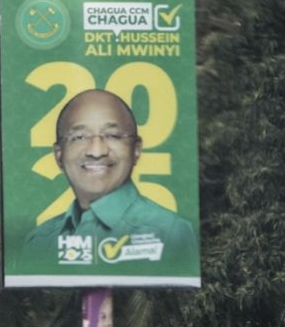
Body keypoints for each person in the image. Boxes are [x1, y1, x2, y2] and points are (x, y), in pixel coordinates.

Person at [21, 89, 198, 270]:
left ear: (136, 149)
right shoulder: (39, 242)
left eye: (113, 136)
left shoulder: (170, 234)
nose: (96, 151)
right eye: (79, 137)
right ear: (59, 155)